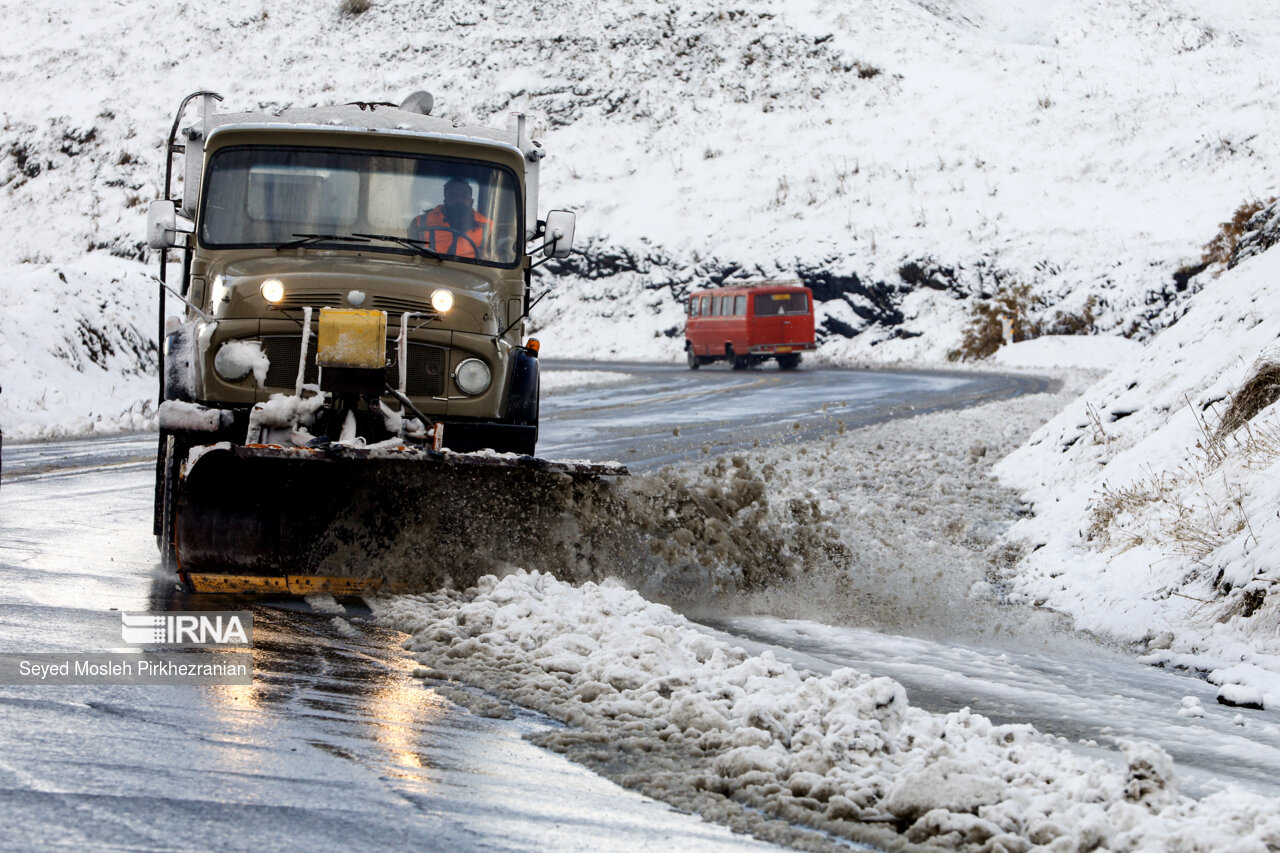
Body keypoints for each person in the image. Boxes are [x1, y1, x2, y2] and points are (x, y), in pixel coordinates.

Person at [410, 177, 490, 259]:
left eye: (464, 195)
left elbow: (494, 260)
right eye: (453, 195)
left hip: (470, 271)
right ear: (445, 201)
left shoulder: (488, 227)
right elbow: (411, 257)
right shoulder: (420, 222)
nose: (459, 199)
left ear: (471, 201)